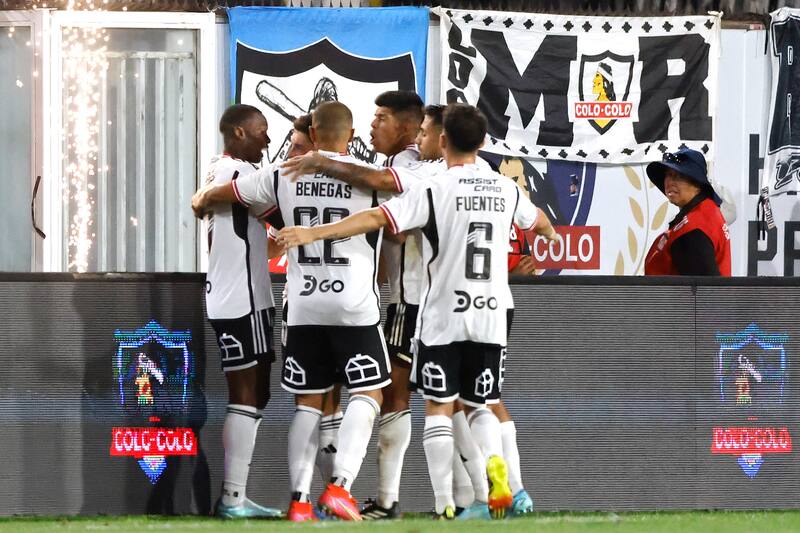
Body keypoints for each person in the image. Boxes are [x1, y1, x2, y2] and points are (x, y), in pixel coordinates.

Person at [278, 104, 558, 520]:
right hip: (492, 311)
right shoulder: (505, 187)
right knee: (481, 403)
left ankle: (446, 505)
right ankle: (500, 485)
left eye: (426, 132)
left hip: (438, 311)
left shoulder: (431, 185)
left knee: (436, 406)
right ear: (483, 142)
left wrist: (314, 230)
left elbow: (376, 215)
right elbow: (540, 223)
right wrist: (548, 237)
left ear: (442, 140)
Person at [193, 101, 416, 522]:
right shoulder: (370, 177)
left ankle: (298, 501)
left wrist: (202, 196)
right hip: (353, 304)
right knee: (369, 393)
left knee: (308, 404)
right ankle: (341, 487)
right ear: (350, 136)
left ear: (312, 134)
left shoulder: (283, 173)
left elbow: (229, 195)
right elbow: (400, 211)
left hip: (303, 305)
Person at [193, 104, 282, 519]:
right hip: (245, 298)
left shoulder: (218, 168)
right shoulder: (241, 174)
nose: (268, 138)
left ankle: (235, 496)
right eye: (261, 130)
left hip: (227, 294)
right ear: (240, 133)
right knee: (249, 394)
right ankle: (232, 498)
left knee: (255, 393)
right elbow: (284, 212)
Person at [644, 148, 731, 276]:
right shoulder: (706, 211)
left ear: (698, 184)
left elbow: (703, 287)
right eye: (668, 174)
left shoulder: (692, 229)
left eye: (678, 176)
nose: (669, 181)